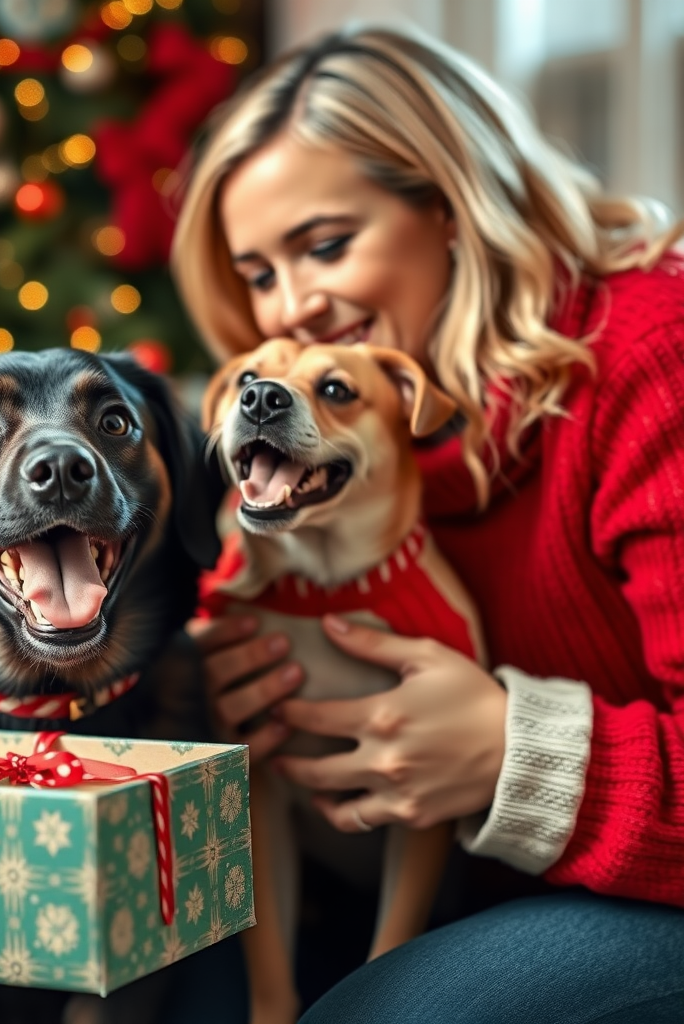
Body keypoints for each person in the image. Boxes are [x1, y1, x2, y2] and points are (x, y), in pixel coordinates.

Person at [170, 22, 684, 1024]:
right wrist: (216, 694)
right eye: (259, 273)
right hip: (461, 880)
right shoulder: (307, 466)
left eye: (325, 245)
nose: (292, 308)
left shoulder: (648, 361)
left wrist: (512, 756)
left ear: (452, 210)